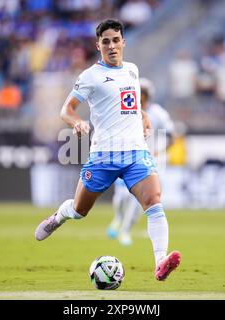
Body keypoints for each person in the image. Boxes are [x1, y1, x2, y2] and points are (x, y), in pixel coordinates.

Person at [35, 19, 181, 281]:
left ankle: (160, 262)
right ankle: (59, 216)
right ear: (99, 45)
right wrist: (78, 122)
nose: (111, 46)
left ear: (123, 42)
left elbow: (130, 102)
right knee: (80, 210)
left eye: (116, 40)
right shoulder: (90, 76)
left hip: (136, 152)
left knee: (154, 201)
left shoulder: (132, 71)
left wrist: (143, 115)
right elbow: (66, 110)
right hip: (103, 155)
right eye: (106, 42)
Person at [107, 77, 175, 246]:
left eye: (142, 93)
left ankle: (125, 231)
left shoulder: (158, 113)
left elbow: (172, 135)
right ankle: (118, 218)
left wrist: (160, 152)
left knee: (138, 200)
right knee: (121, 198)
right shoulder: (125, 109)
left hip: (145, 161)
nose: (139, 96)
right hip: (124, 158)